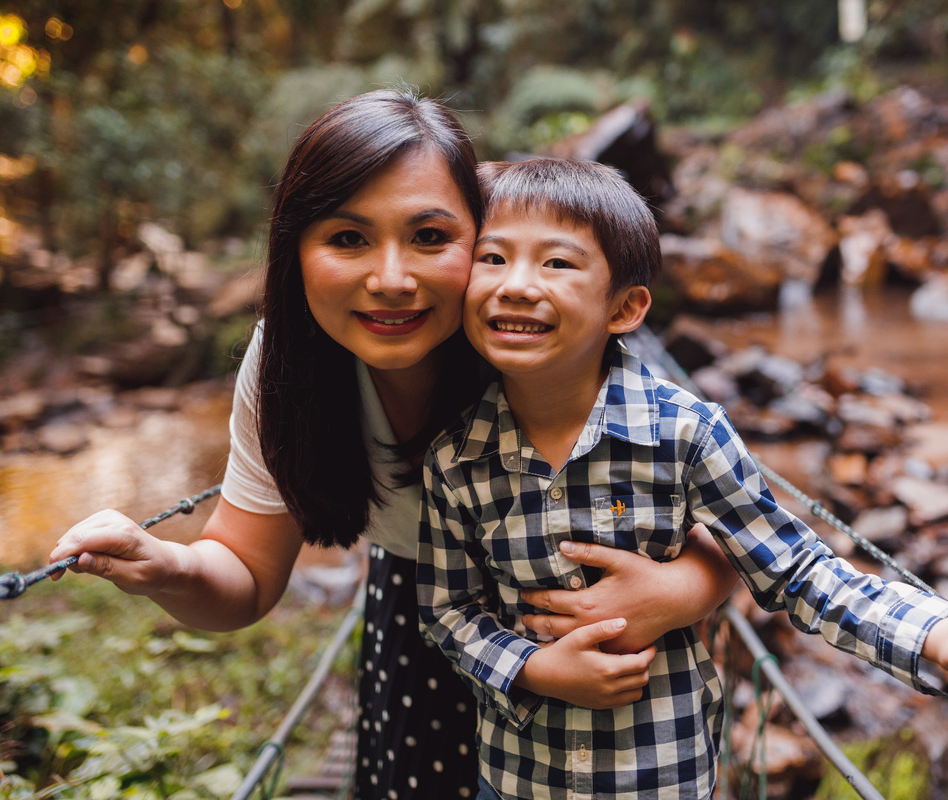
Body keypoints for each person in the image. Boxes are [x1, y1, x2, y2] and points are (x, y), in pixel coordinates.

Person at [48, 90, 741, 800]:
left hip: (601, 648)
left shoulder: (536, 337)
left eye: (430, 237)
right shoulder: (290, 366)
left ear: (481, 238)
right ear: (296, 249)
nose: (390, 280)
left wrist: (677, 591)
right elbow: (247, 577)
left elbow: (734, 526)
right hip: (427, 628)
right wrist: (163, 564)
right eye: (348, 239)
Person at [417, 157, 948, 800]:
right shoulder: (455, 460)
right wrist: (535, 669)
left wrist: (930, 630)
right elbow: (448, 608)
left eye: (557, 263)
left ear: (625, 308)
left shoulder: (684, 433)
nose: (516, 285)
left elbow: (794, 569)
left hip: (661, 776)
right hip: (517, 777)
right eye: (493, 258)